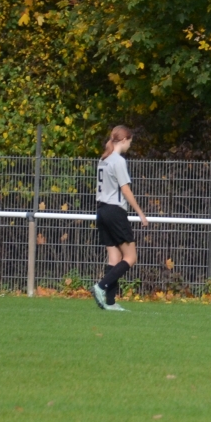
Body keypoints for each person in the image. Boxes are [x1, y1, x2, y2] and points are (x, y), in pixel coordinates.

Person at [91, 125, 149, 311]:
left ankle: (110, 303)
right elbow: (125, 189)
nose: (129, 146)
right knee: (131, 257)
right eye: (130, 142)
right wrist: (140, 213)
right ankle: (100, 287)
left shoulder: (104, 159)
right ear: (123, 140)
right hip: (115, 212)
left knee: (114, 258)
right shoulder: (118, 161)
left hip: (101, 211)